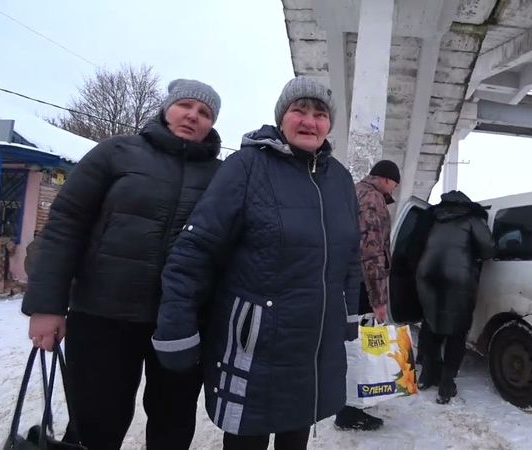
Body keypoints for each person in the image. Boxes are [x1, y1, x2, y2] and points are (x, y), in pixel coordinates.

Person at [152, 76, 361, 450]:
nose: (309, 121)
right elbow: (196, 249)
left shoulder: (341, 181)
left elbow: (350, 256)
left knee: (296, 435)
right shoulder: (247, 166)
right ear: (282, 118)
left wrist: (348, 316)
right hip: (256, 341)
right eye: (299, 110)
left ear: (329, 125)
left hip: (312, 346)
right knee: (247, 438)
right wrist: (176, 327)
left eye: (319, 114)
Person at [22, 79, 223, 450]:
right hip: (103, 316)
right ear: (167, 108)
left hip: (180, 324)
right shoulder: (115, 153)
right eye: (185, 106)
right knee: (96, 423)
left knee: (173, 425)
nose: (193, 116)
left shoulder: (220, 175)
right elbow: (66, 225)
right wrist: (46, 305)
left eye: (204, 113)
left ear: (212, 124)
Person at [334, 159, 400, 432]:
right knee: (359, 350)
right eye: (394, 183)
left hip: (348, 282)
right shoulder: (373, 199)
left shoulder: (354, 191)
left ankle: (347, 404)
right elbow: (371, 251)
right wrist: (378, 300)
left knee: (351, 347)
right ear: (386, 179)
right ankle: (350, 412)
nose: (394, 188)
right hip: (362, 286)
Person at [415, 190, 495, 404]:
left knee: (431, 324)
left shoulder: (432, 218)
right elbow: (488, 249)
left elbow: (414, 243)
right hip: (458, 279)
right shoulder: (472, 218)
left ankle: (427, 376)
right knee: (456, 331)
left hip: (427, 276)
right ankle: (446, 385)